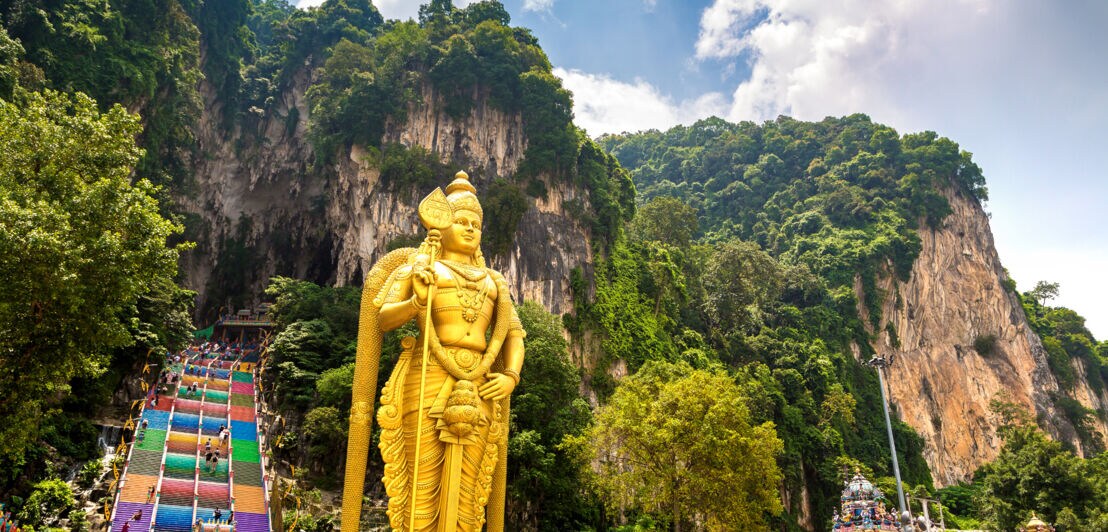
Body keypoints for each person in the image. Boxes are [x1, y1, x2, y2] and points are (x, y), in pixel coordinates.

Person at [341, 172, 525, 531]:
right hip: (427, 374)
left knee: (470, 495)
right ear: (442, 224)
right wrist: (415, 301)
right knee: (420, 487)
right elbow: (382, 319)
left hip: (480, 386)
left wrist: (510, 376)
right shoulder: (421, 268)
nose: (470, 229)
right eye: (461, 221)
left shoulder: (495, 282)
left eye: (476, 223)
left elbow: (515, 335)